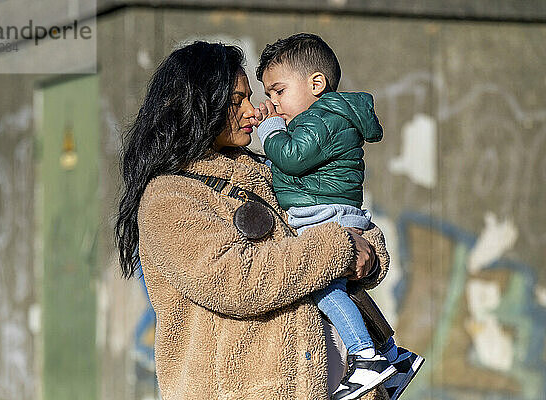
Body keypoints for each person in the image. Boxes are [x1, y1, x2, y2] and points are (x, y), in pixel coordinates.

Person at [115, 41, 392, 400]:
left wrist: (369, 253)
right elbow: (237, 281)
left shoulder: (262, 171)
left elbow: (330, 217)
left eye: (251, 97)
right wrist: (340, 249)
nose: (254, 110)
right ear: (197, 105)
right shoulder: (169, 197)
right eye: (237, 101)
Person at [251, 33, 424, 400]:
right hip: (327, 210)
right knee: (345, 291)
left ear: (316, 84)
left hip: (324, 216)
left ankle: (367, 358)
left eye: (278, 91)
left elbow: (291, 157)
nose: (272, 103)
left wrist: (269, 131)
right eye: (268, 94)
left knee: (322, 288)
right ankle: (394, 357)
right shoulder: (319, 118)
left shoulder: (324, 117)